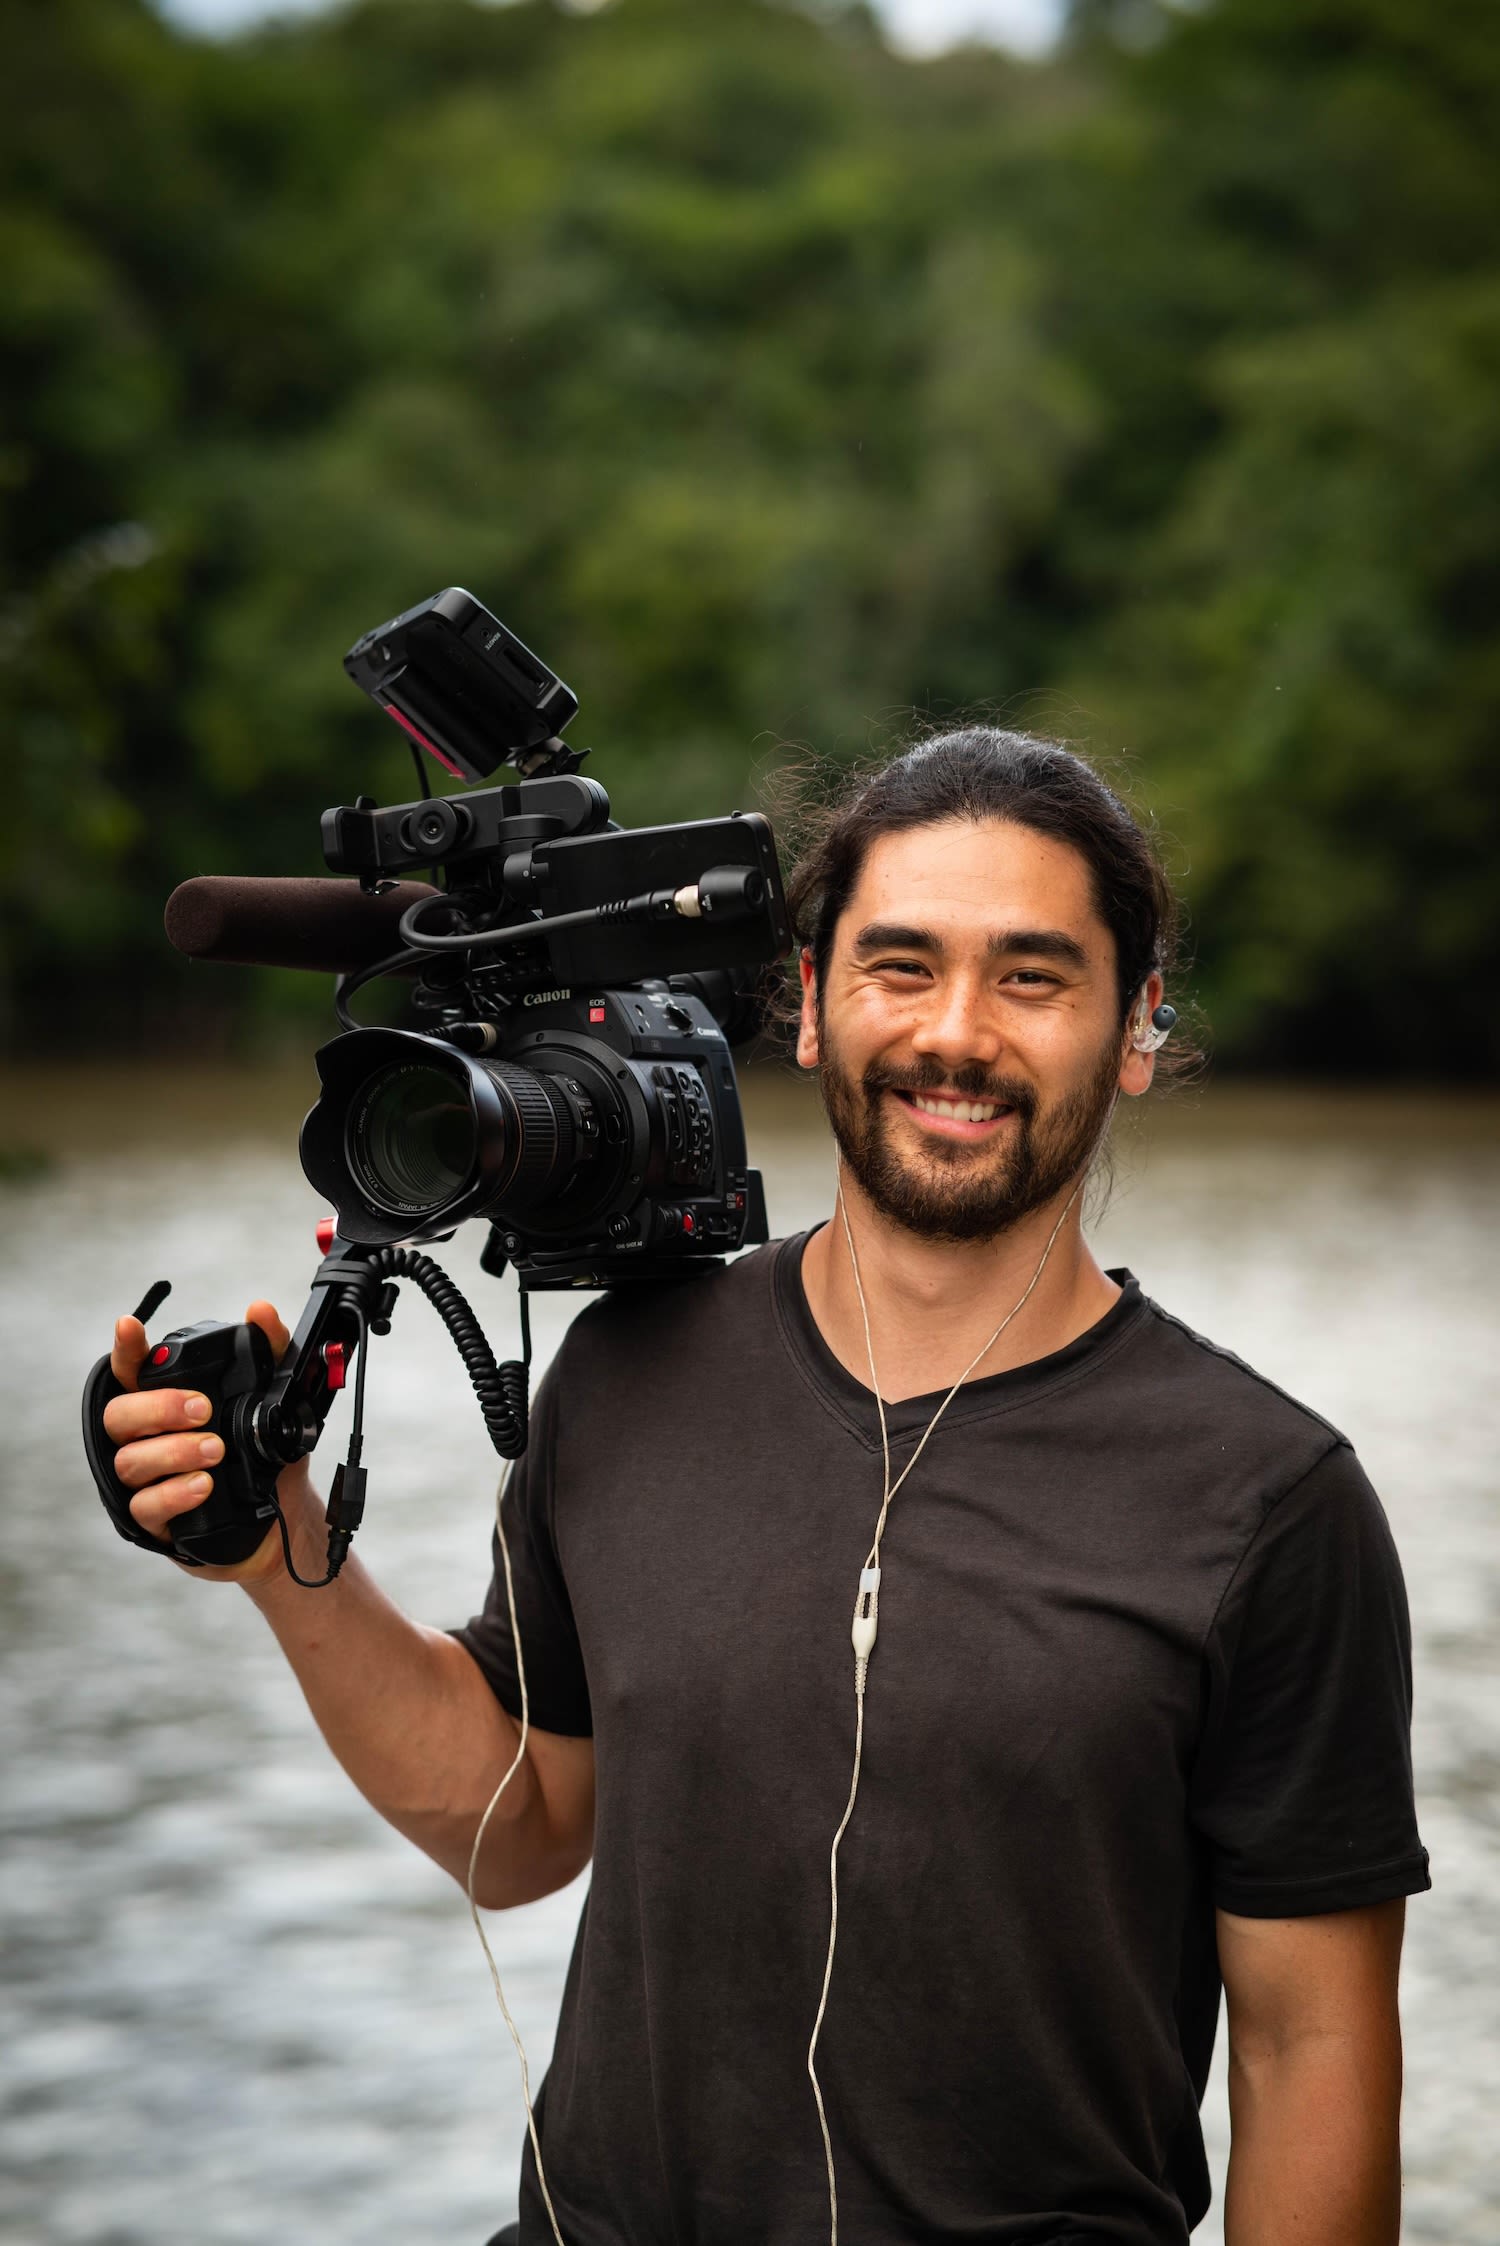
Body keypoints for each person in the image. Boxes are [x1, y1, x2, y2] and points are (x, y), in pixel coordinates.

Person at [103, 730, 1429, 2246]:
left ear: (1137, 1026)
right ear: (808, 1004)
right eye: (902, 965)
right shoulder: (621, 1373)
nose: (958, 1032)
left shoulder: (1269, 1499)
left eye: (1034, 977)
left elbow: (1306, 2040)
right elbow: (525, 1817)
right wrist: (281, 1547)